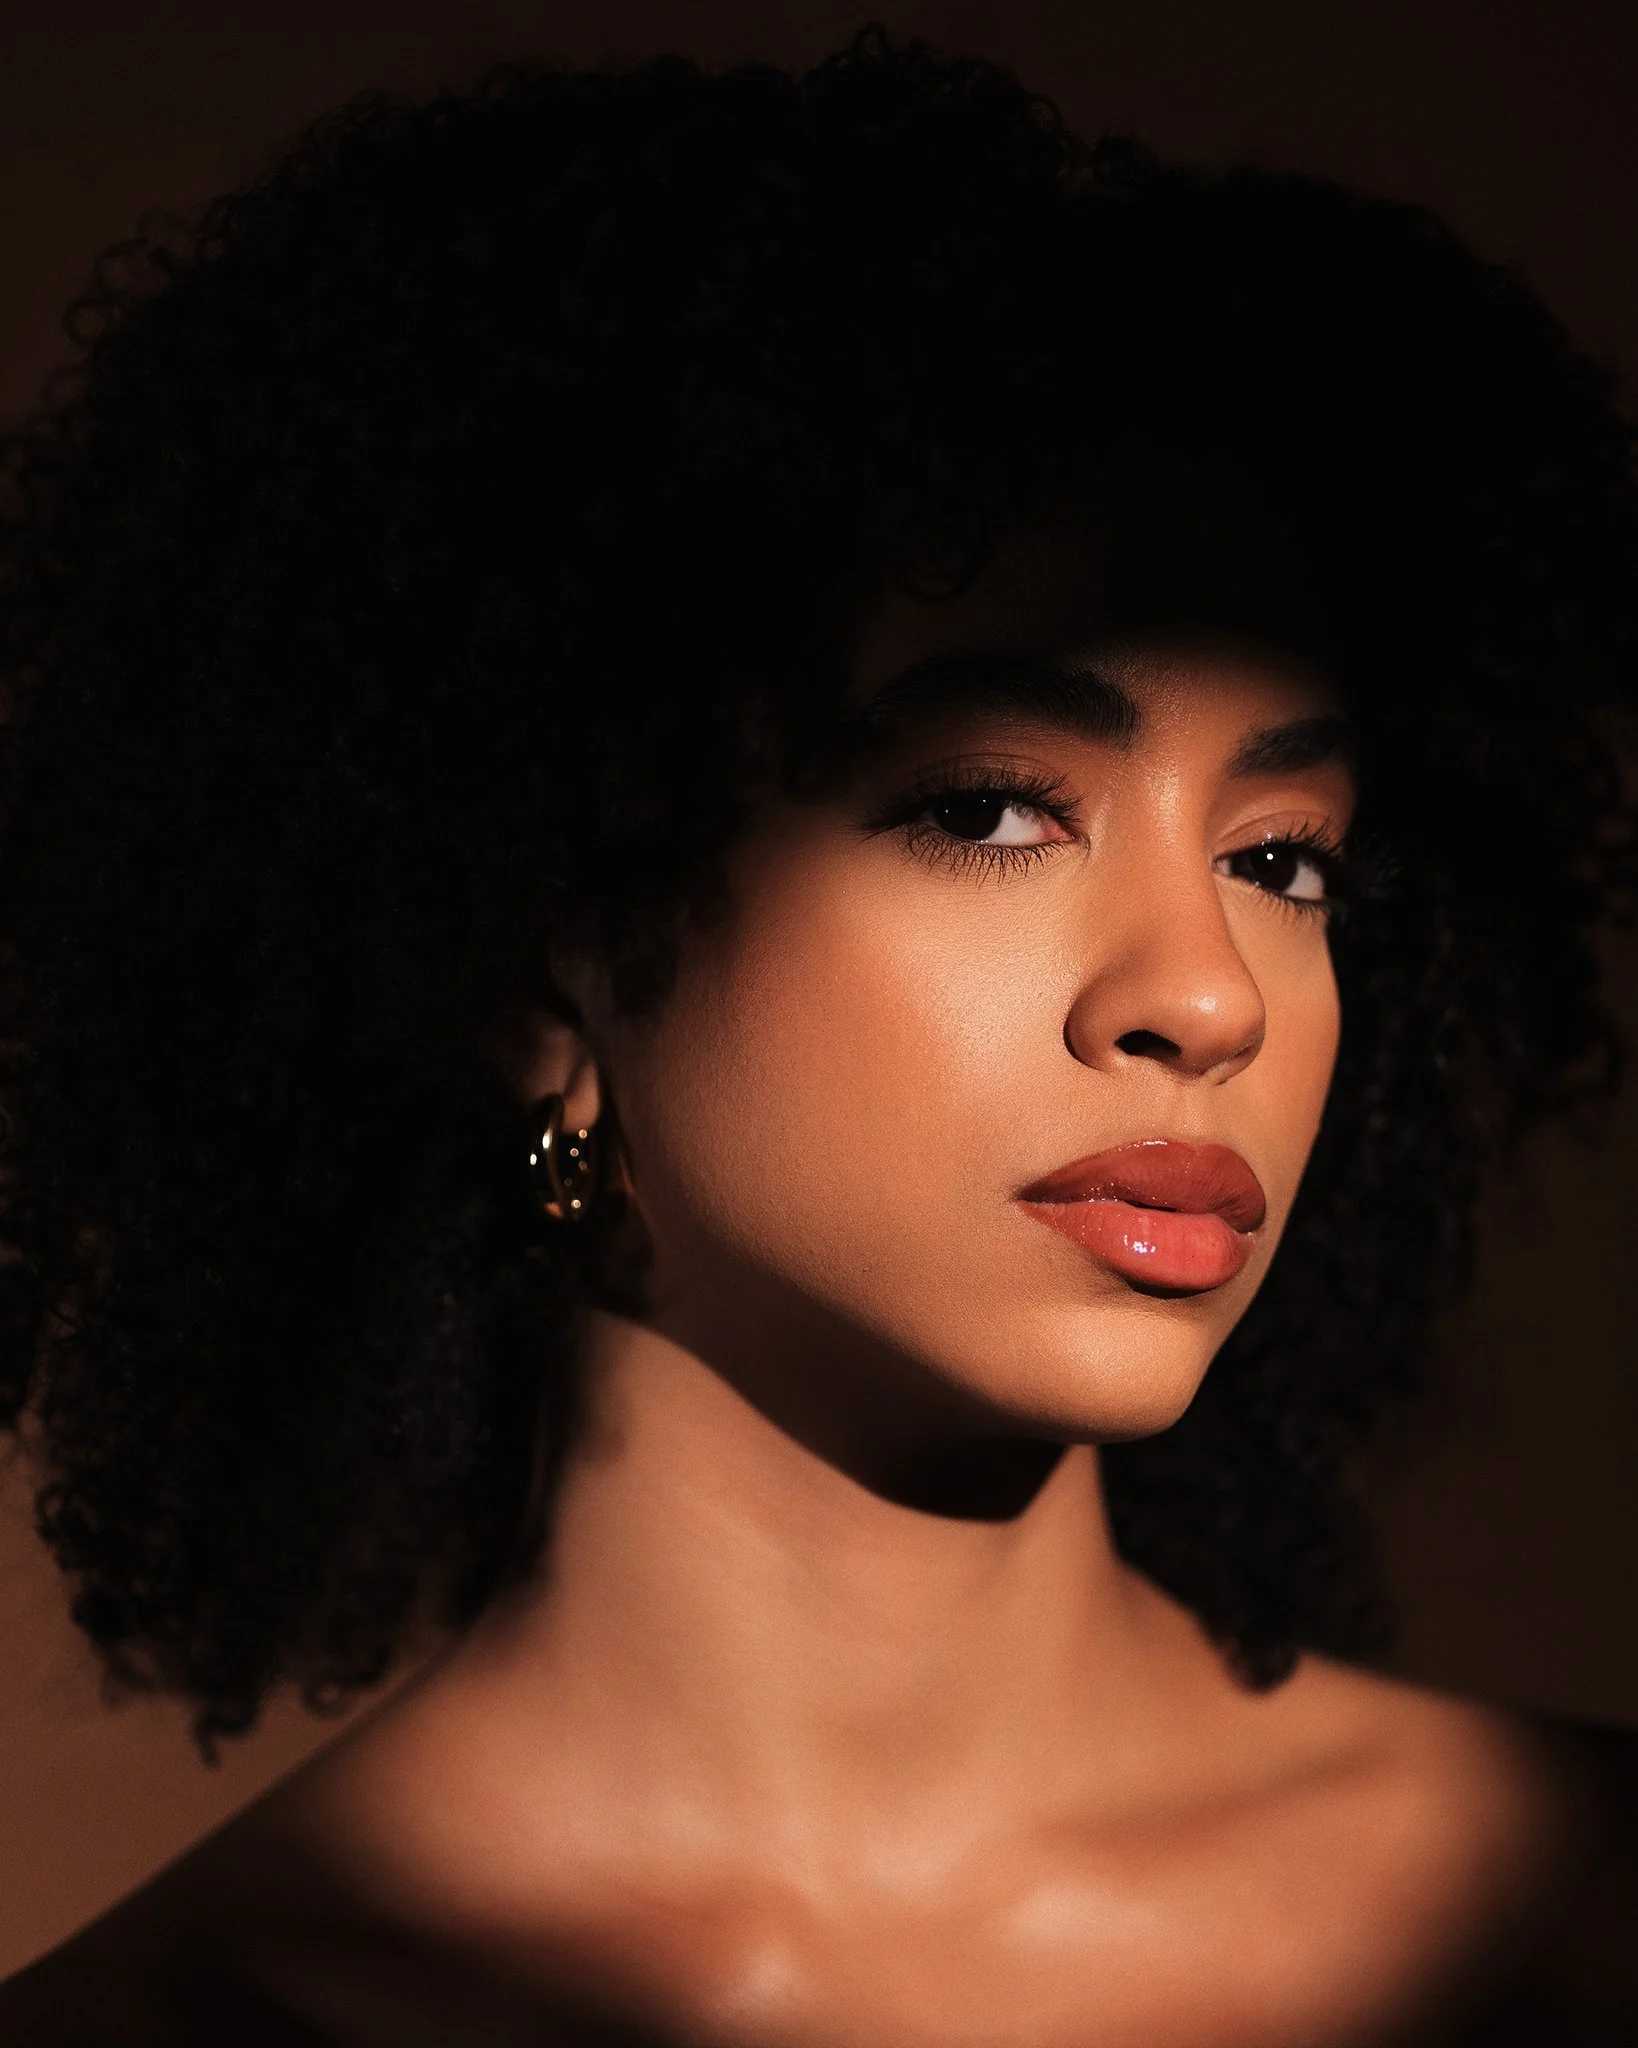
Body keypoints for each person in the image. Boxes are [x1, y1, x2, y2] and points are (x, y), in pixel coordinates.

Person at [0, 28, 1633, 2046]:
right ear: (535, 969)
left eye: (1286, 858)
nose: (1207, 995)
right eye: (985, 809)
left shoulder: (1580, 1916)